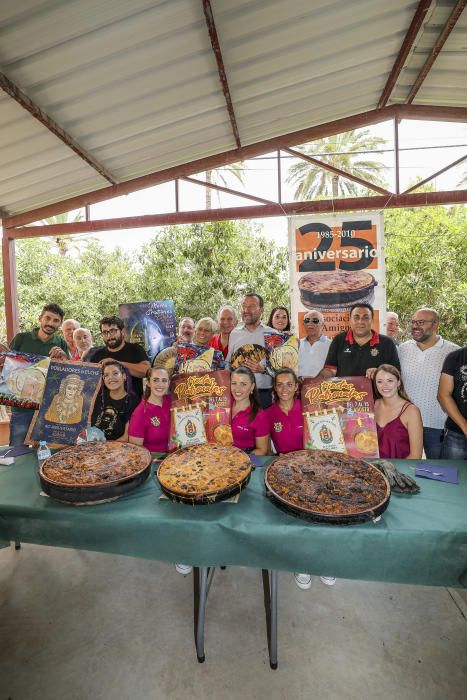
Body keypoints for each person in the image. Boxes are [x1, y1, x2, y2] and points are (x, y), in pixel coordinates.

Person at [398, 308, 459, 459]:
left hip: (437, 425)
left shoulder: (452, 351)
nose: (415, 326)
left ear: (435, 325)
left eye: (421, 322)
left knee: (439, 470)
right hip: (405, 422)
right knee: (405, 469)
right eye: (413, 322)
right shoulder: (403, 349)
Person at [8, 303, 69, 445]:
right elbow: (8, 368)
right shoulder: (22, 338)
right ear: (40, 318)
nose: (50, 323)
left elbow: (67, 374)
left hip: (49, 407)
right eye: (47, 318)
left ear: (60, 324)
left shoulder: (61, 343)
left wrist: (64, 359)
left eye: (55, 320)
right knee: (17, 449)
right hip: (21, 405)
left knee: (47, 451)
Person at [320, 303, 400, 380]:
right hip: (345, 392)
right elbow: (330, 370)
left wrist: (380, 373)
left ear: (372, 321)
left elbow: (397, 373)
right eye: (356, 317)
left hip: (375, 393)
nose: (360, 321)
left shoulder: (387, 343)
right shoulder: (339, 340)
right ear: (350, 321)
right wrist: (316, 380)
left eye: (365, 317)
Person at [227, 293, 274, 408]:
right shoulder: (234, 333)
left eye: (252, 306)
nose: (246, 310)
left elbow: (281, 370)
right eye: (244, 306)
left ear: (261, 309)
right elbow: (228, 364)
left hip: (264, 394)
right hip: (239, 395)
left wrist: (263, 369)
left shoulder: (273, 334)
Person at [85, 316, 150, 398]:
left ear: (122, 331)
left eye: (112, 331)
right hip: (105, 405)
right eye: (105, 332)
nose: (109, 336)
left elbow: (147, 371)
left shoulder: (135, 349)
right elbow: (90, 381)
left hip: (133, 406)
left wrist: (117, 363)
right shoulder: (97, 355)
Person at [373, 364, 423, 459]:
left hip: (399, 470)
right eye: (380, 381)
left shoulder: (411, 411)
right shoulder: (371, 406)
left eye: (390, 381)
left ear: (399, 382)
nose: (385, 385)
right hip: (372, 469)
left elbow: (416, 456)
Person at [91, 360, 139, 441]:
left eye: (115, 373)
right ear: (103, 379)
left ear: (124, 376)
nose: (110, 378)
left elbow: (127, 437)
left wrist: (106, 450)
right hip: (91, 445)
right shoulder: (98, 396)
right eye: (106, 375)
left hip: (116, 449)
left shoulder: (133, 400)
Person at [129, 367, 171, 453]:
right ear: (148, 383)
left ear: (168, 383)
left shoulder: (173, 402)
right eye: (155, 380)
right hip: (154, 461)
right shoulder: (140, 413)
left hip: (176, 456)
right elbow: (135, 450)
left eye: (164, 380)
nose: (160, 384)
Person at [230, 367, 269, 455]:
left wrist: (241, 459)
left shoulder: (260, 416)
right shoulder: (222, 403)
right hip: (218, 454)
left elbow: (262, 450)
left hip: (244, 456)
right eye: (234, 383)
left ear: (252, 387)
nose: (237, 389)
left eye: (243, 384)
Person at [437, 346, 467, 460]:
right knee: (450, 475)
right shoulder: (456, 357)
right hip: (457, 434)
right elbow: (443, 395)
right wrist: (465, 426)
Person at [297, 310, 331, 379]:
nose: (310, 323)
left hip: (321, 387)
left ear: (322, 325)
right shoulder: (298, 344)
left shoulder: (331, 345)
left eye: (315, 321)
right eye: (307, 321)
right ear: (303, 324)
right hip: (299, 388)